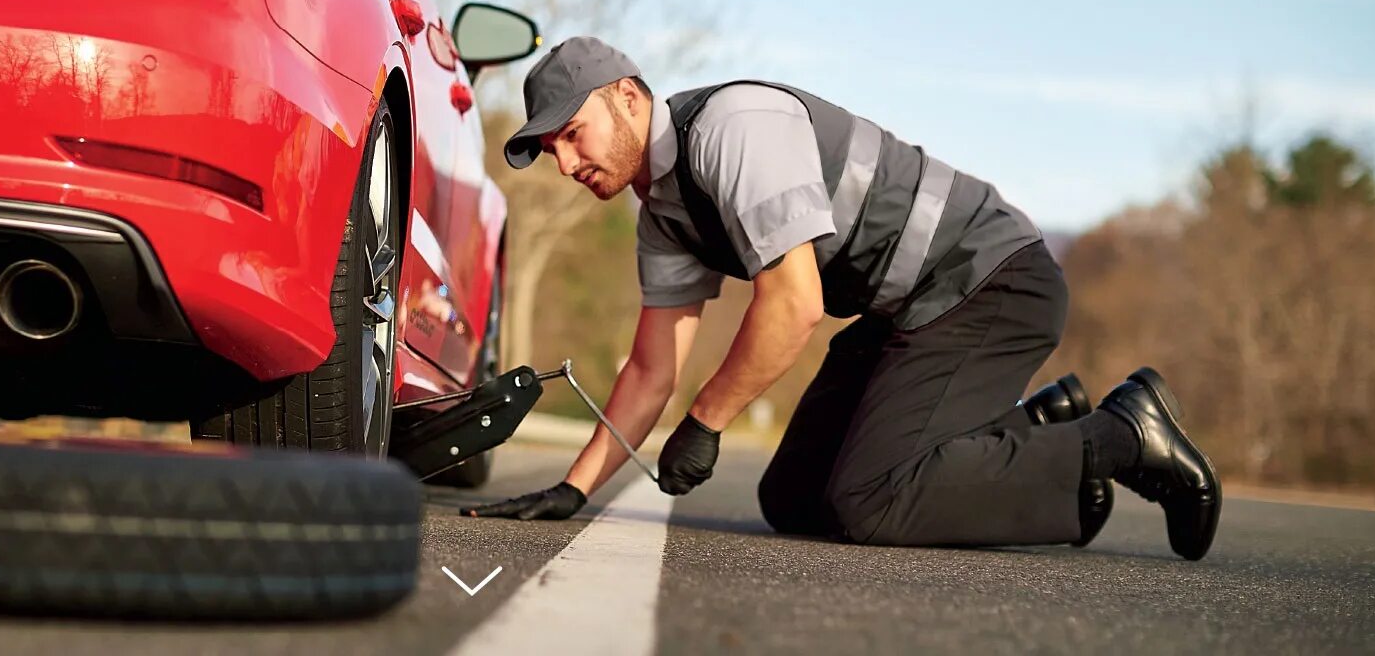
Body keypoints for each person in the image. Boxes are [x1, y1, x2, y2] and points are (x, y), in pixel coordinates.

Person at [462, 37, 1221, 559]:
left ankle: (1119, 436)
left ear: (628, 96)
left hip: (988, 280)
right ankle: (1034, 432)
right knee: (793, 498)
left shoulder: (732, 128)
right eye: (550, 149)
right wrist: (573, 489)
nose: (564, 162)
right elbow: (650, 368)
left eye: (572, 133)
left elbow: (791, 307)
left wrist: (707, 420)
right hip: (904, 311)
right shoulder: (661, 211)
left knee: (870, 500)